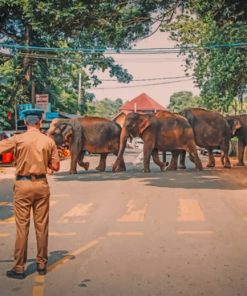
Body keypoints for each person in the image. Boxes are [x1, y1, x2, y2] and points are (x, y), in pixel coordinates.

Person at [0, 109, 60, 279]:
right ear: (40, 122)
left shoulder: (18, 139)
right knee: (41, 226)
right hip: (41, 185)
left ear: (26, 122)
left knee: (22, 227)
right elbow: (55, 167)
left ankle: (19, 267)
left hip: (22, 185)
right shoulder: (48, 141)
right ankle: (41, 263)